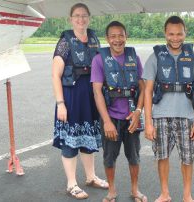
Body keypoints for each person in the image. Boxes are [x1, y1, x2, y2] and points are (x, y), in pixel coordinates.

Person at [143, 16, 194, 202]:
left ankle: (187, 195)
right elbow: (148, 91)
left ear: (185, 33)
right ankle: (164, 193)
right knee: (162, 156)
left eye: (179, 34)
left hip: (186, 116)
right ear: (165, 33)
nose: (175, 38)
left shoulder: (192, 58)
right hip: (161, 116)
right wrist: (148, 123)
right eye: (171, 34)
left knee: (187, 158)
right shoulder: (155, 57)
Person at [52, 3, 108, 200]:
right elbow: (55, 75)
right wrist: (60, 104)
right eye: (77, 16)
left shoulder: (93, 38)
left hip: (91, 97)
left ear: (89, 18)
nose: (81, 19)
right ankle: (71, 183)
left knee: (88, 138)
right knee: (71, 142)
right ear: (71, 19)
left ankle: (91, 176)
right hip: (71, 97)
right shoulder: (65, 42)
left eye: (84, 15)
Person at [91, 21, 147, 202]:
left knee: (134, 156)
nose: (117, 40)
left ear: (126, 36)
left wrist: (138, 111)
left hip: (132, 117)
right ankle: (112, 191)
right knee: (109, 157)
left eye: (120, 35)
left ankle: (135, 190)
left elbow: (143, 87)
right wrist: (106, 121)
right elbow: (97, 92)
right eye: (113, 36)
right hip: (112, 118)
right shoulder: (99, 59)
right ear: (107, 39)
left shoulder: (134, 57)